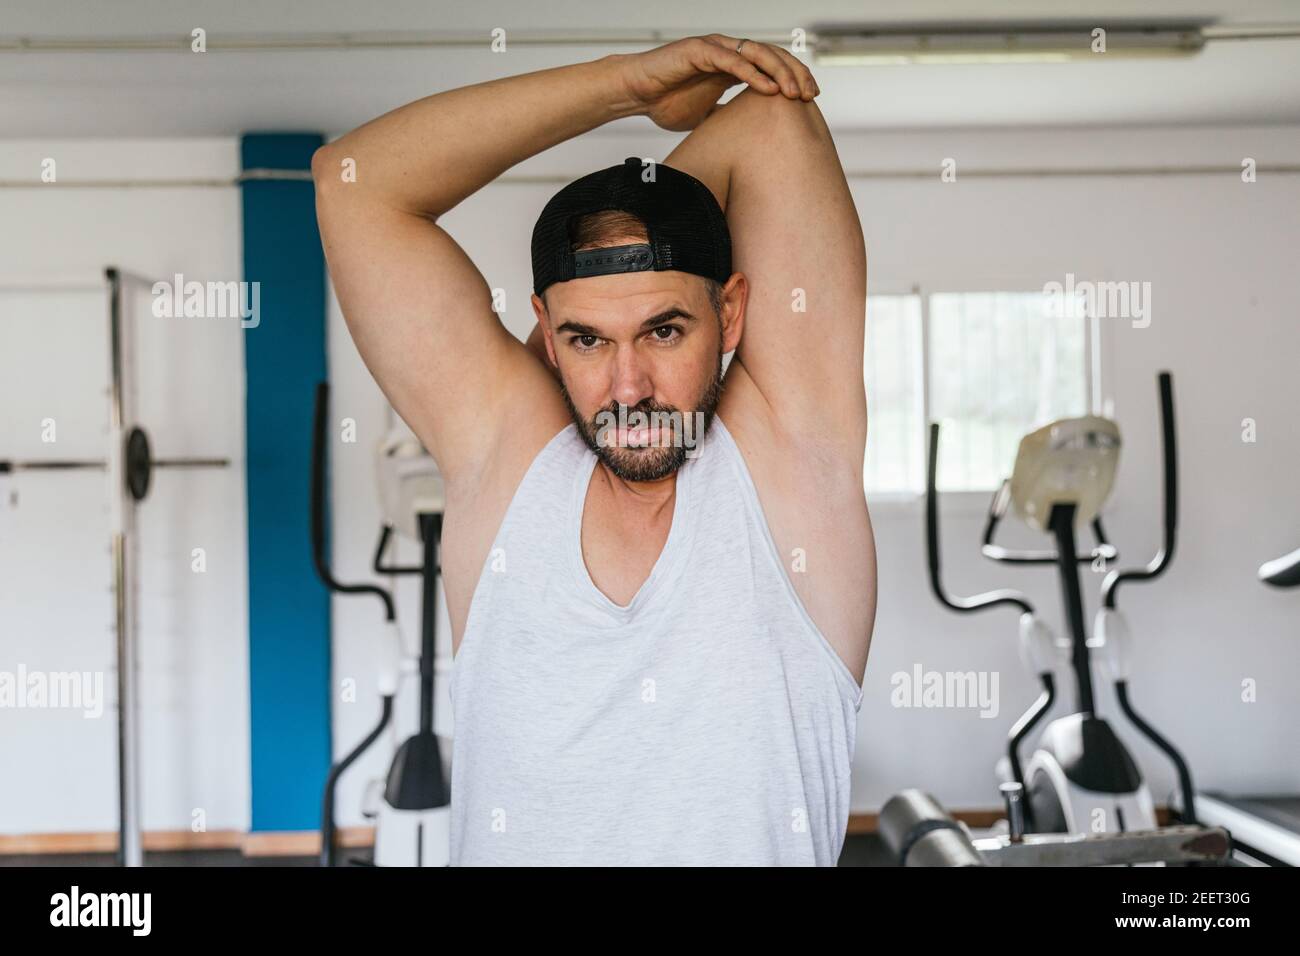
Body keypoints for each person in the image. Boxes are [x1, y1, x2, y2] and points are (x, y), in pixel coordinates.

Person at [312, 34, 876, 866]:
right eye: (585, 339)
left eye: (664, 329)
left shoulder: (792, 464)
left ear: (732, 313)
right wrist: (626, 86)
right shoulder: (510, 467)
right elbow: (352, 183)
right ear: (544, 330)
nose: (628, 386)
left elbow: (771, 119)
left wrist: (650, 180)